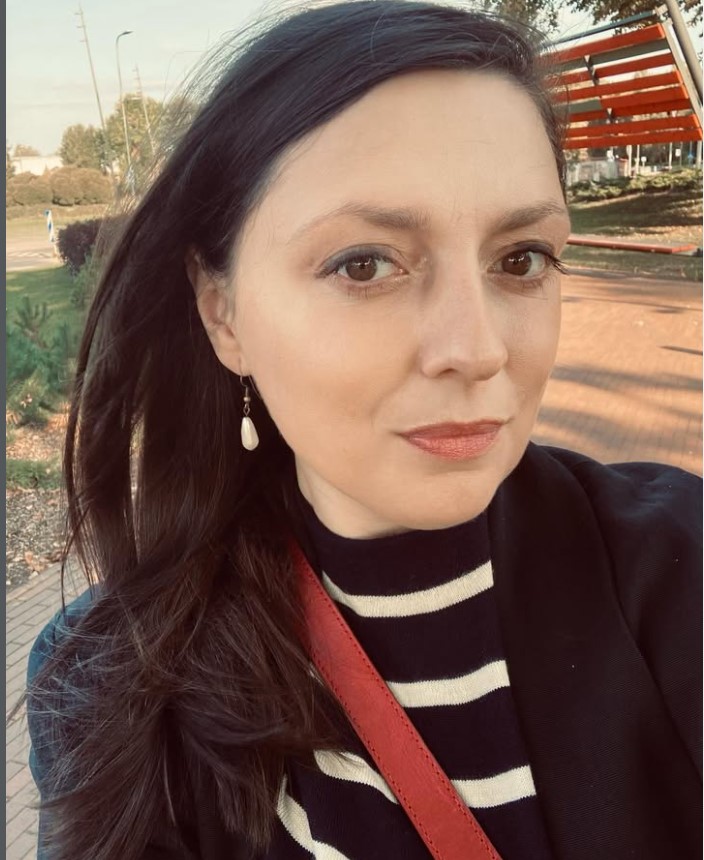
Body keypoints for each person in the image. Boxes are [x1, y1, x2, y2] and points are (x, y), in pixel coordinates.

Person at [24, 2, 701, 859]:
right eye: (365, 263)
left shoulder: (678, 567)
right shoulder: (109, 683)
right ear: (222, 312)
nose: (477, 350)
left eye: (521, 258)